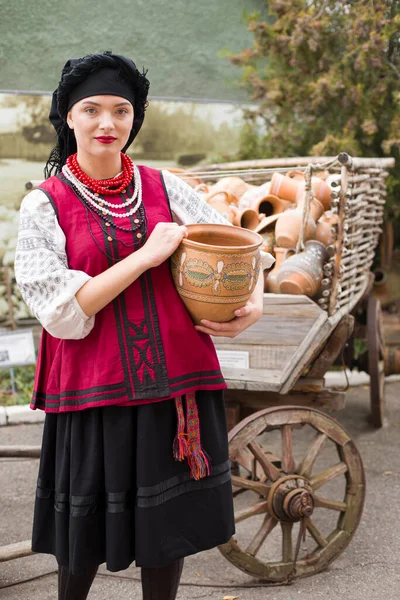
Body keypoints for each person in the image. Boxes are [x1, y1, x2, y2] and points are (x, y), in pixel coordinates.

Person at [15, 51, 271, 600]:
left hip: (173, 386)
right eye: (92, 109)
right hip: (95, 389)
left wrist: (255, 303)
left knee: (167, 536)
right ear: (67, 117)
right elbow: (63, 313)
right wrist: (147, 255)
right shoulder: (44, 205)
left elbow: (243, 249)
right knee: (80, 542)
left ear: (135, 119)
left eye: (121, 110)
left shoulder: (165, 187)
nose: (108, 123)